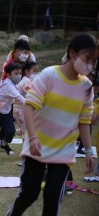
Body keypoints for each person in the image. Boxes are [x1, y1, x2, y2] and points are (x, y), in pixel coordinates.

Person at [7, 33, 96, 216]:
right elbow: (30, 107)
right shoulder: (49, 75)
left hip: (64, 149)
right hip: (37, 144)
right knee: (29, 193)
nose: (91, 64)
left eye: (95, 61)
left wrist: (88, 151)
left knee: (53, 194)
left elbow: (84, 121)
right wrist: (32, 137)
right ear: (73, 53)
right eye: (88, 58)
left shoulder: (86, 87)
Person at [0, 62, 25, 157]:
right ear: (8, 75)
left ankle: (4, 144)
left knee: (11, 131)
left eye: (20, 73)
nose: (18, 76)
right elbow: (19, 97)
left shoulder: (13, 83)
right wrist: (33, 104)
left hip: (6, 112)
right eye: (16, 73)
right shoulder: (8, 85)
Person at [13, 61, 40, 142]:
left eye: (37, 71)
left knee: (26, 129)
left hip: (22, 110)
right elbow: (33, 94)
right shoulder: (26, 82)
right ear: (27, 71)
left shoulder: (28, 81)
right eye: (34, 71)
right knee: (27, 132)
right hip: (20, 110)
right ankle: (26, 153)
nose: (37, 73)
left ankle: (10, 133)